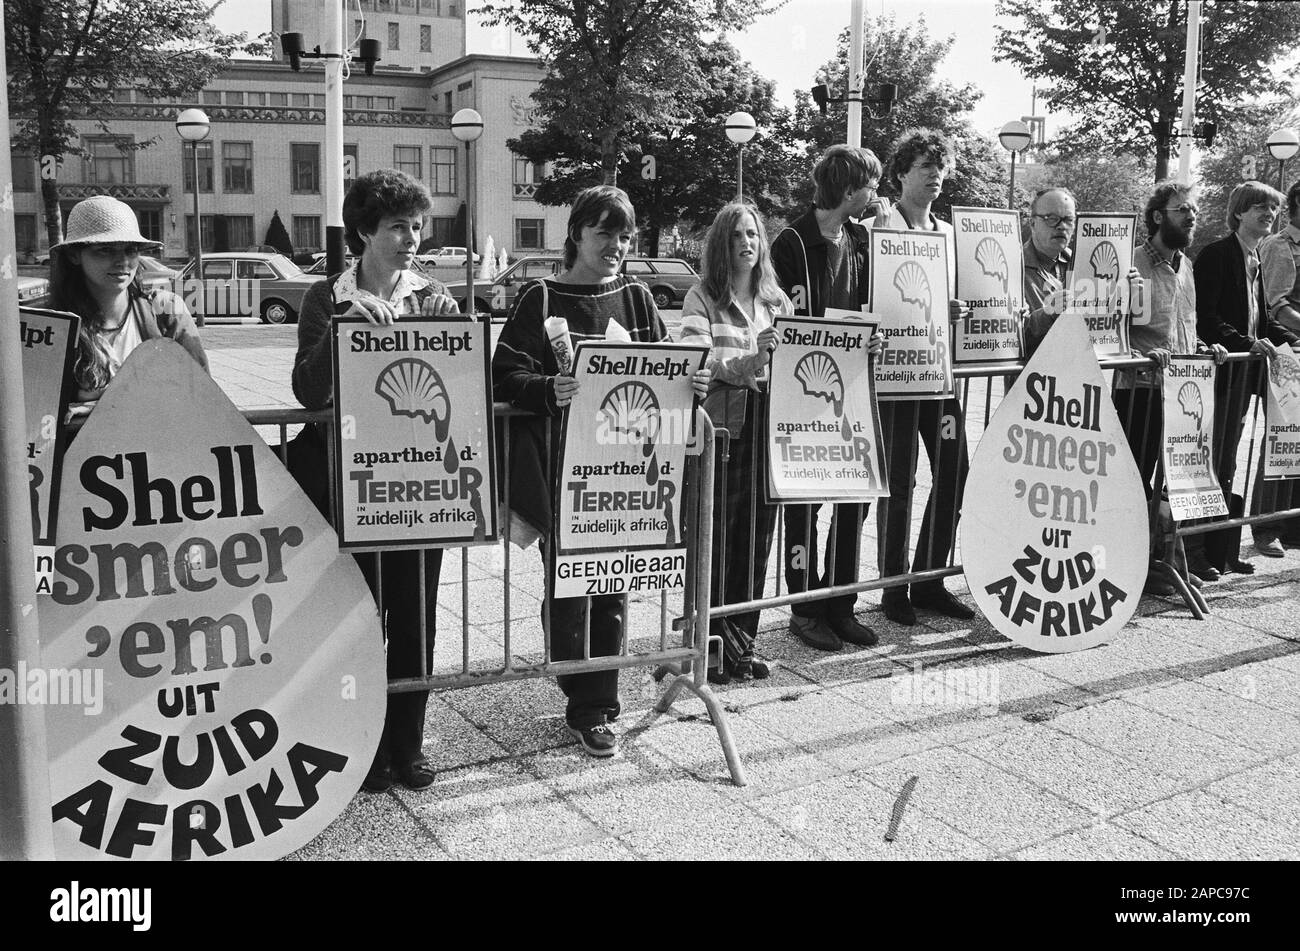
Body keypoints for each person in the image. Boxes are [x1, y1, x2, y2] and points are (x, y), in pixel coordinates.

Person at [492, 185, 709, 756]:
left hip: (627, 475)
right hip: (564, 473)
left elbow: (661, 371)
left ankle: (596, 707)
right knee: (568, 589)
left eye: (624, 235)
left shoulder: (636, 299)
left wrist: (694, 384)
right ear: (577, 234)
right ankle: (577, 685)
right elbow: (504, 376)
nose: (615, 245)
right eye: (604, 233)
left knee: (613, 585)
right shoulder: (540, 298)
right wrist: (547, 388)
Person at [292, 168, 461, 792]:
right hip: (347, 483)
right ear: (364, 230)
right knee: (356, 619)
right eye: (397, 226)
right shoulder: (325, 298)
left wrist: (447, 331)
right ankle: (358, 742)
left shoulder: (434, 298)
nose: (412, 238)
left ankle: (407, 744)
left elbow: (459, 386)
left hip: (417, 486)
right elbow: (306, 392)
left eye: (418, 226)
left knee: (416, 618)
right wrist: (343, 334)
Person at [770, 145, 886, 652]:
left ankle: (840, 602)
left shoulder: (860, 238)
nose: (875, 194)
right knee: (804, 503)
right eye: (870, 185)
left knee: (853, 499)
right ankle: (805, 605)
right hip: (802, 394)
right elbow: (783, 315)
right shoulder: (792, 242)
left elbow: (866, 306)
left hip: (851, 392)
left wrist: (871, 337)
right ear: (846, 187)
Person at [871, 128, 974, 626]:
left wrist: (952, 309)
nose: (936, 175)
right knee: (898, 482)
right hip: (894, 376)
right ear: (901, 174)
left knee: (956, 470)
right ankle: (893, 587)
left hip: (937, 372)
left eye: (941, 167)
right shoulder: (879, 224)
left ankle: (929, 577)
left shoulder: (948, 233)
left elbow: (945, 297)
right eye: (925, 167)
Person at [1116, 182, 1226, 595]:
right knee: (1135, 481)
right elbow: (1114, 328)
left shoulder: (1187, 266)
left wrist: (1203, 348)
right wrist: (1144, 355)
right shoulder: (1135, 263)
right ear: (1159, 215)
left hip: (1180, 393)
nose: (1191, 216)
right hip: (1140, 391)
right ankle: (1134, 562)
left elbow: (1184, 327)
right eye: (1182, 209)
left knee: (1173, 482)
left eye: (1193, 209)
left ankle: (1165, 561)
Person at [1192, 180, 1300, 578]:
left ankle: (1223, 548)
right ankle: (1197, 551)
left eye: (1273, 209)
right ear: (1239, 212)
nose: (1269, 215)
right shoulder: (1217, 255)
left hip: (1243, 372)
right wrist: (1247, 343)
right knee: (1214, 459)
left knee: (1230, 461)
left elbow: (1264, 319)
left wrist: (1289, 340)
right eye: (1260, 208)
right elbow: (1208, 317)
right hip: (1222, 374)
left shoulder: (1254, 258)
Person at [51, 195, 207, 416]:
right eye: (105, 249)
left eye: (130, 250)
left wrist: (101, 406)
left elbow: (201, 392)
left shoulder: (167, 310)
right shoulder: (54, 325)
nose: (122, 261)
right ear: (75, 255)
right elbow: (39, 407)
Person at [1256, 178, 1300, 551]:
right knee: (1280, 439)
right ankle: (1266, 526)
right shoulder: (1280, 245)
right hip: (1286, 354)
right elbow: (1274, 304)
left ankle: (1293, 525)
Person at [1021, 187, 1076, 359]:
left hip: (1079, 380)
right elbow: (1006, 337)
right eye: (1051, 219)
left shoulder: (1084, 265)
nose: (1061, 227)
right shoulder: (1010, 267)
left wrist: (1127, 294)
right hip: (1031, 382)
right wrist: (1048, 313)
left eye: (1068, 219)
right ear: (1032, 223)